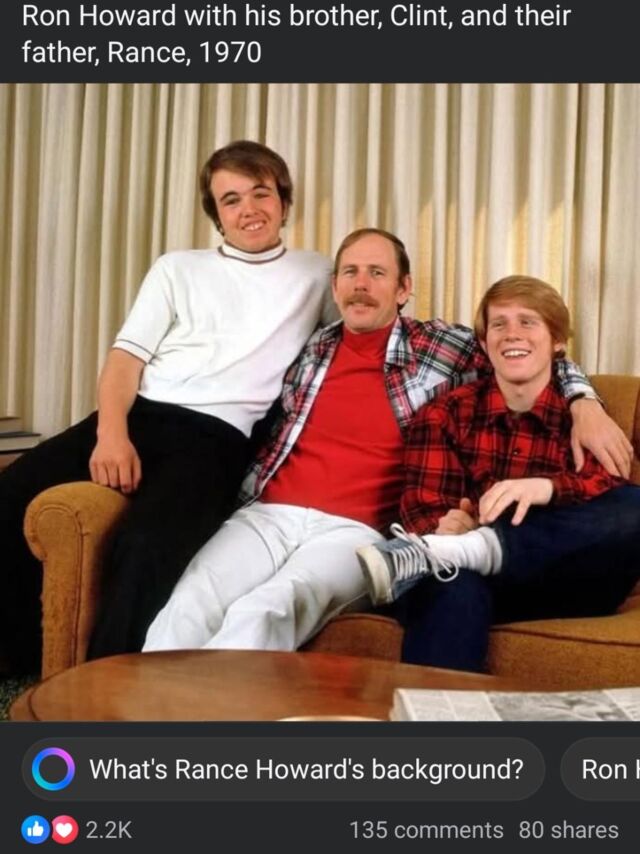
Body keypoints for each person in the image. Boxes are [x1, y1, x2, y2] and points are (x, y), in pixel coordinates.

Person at [143, 232, 632, 654]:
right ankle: (144, 721)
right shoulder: (308, 347)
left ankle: (216, 722)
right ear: (335, 287)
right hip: (268, 514)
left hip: (354, 531)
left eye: (377, 273)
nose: (361, 284)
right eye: (350, 272)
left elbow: (527, 349)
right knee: (192, 599)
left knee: (271, 606)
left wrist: (583, 400)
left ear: (404, 289)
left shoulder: (442, 345)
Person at [0, 139, 335, 674]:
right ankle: (17, 654)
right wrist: (112, 435)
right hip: (142, 415)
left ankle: (103, 684)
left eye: (261, 193)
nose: (249, 209)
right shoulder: (177, 268)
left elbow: (360, 333)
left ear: (283, 201)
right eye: (230, 200)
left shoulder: (317, 273)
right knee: (9, 495)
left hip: (218, 439)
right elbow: (124, 361)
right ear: (216, 215)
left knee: (147, 546)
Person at [356, 275, 640, 672]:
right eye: (499, 324)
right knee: (449, 576)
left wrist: (545, 488)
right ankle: (434, 716)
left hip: (564, 580)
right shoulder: (444, 414)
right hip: (469, 582)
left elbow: (606, 490)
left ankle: (480, 547)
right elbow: (422, 511)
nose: (512, 334)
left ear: (557, 342)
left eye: (528, 322)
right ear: (485, 341)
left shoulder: (585, 418)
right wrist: (448, 529)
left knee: (634, 506)